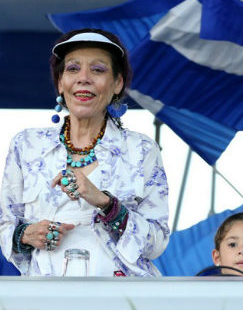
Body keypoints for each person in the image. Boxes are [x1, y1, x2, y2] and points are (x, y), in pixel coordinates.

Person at [0, 28, 170, 276]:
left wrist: (105, 202)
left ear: (117, 83)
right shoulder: (26, 145)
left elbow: (157, 242)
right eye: (72, 69)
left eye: (98, 70)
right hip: (45, 297)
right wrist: (26, 234)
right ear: (60, 83)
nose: (84, 78)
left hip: (123, 296)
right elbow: (5, 225)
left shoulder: (141, 150)